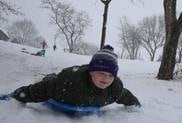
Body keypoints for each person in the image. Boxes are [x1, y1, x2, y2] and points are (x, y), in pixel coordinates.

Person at [11, 45, 141, 114]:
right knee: (50, 80)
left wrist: (136, 105)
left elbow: (125, 95)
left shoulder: (114, 88)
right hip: (64, 79)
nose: (106, 79)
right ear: (91, 72)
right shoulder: (69, 83)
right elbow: (42, 89)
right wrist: (17, 95)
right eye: (101, 73)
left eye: (111, 75)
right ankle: (50, 75)